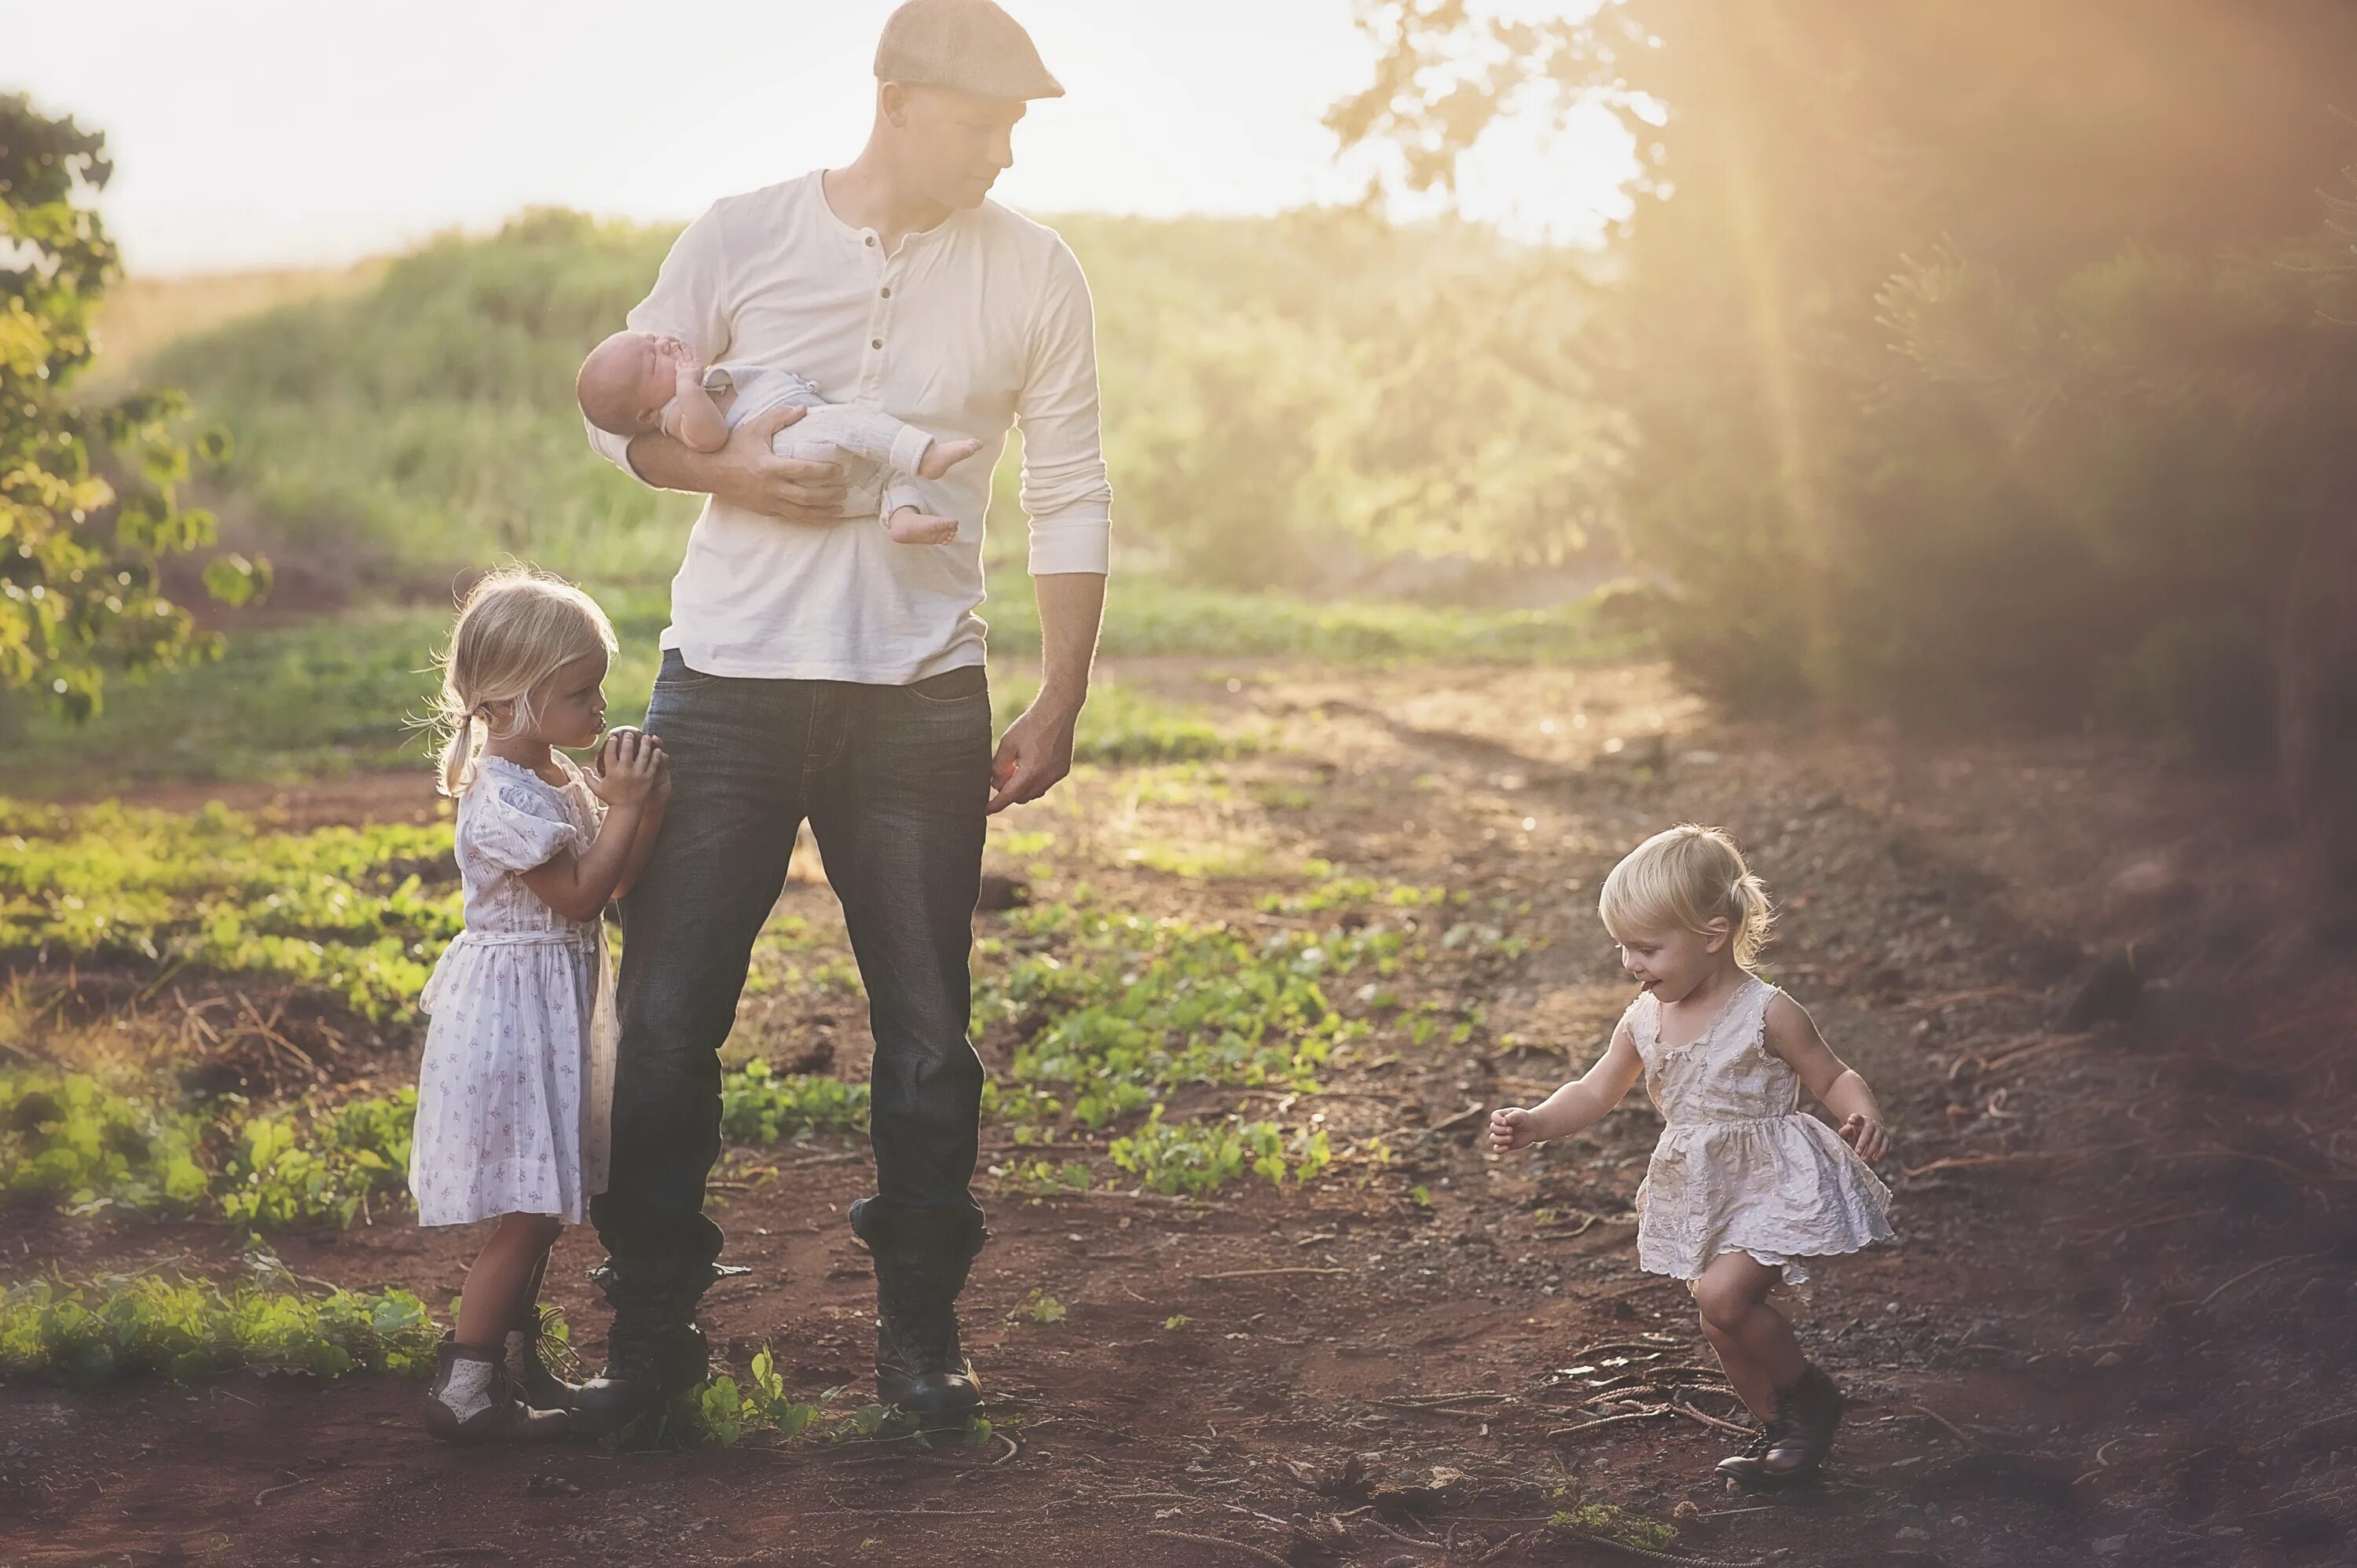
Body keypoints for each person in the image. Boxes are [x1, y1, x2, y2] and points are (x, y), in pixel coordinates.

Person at [573, 0, 1110, 1431]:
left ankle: (922, 1336)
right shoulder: (740, 232)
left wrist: (1060, 688)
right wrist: (728, 478)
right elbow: (615, 413)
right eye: (989, 121)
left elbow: (1069, 482)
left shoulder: (1038, 272)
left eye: (1015, 129)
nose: (1005, 151)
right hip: (730, 686)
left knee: (930, 1032)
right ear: (903, 102)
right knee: (673, 1017)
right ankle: (651, 1339)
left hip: (922, 702)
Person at [1488, 824, 1895, 1485]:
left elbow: (1831, 1075)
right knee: (1716, 1320)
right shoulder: (1643, 1018)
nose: (1630, 965)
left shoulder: (1767, 1012)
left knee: (1727, 1300)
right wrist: (1536, 1121)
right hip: (1702, 1185)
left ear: (1712, 935)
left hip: (1771, 1177)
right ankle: (1782, 1438)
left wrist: (1862, 1111)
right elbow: (1596, 1089)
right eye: (1622, 948)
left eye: (1647, 948)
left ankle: (1813, 1400)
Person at [409, 567, 670, 1442]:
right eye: (578, 692)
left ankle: (512, 1366)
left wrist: (643, 810)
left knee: (545, 1208)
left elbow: (616, 879)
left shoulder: (556, 775)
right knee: (524, 1216)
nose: (600, 706)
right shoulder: (502, 800)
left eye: (598, 686)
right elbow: (579, 897)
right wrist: (624, 806)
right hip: (512, 1022)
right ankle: (465, 1390)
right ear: (506, 702)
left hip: (550, 1011)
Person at [574, 328, 984, 545]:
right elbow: (709, 438)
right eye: (653, 360)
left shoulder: (672, 394)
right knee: (856, 422)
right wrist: (687, 384)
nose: (664, 345)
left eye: (653, 340)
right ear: (645, 413)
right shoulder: (677, 410)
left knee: (883, 476)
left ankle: (901, 518)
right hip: (789, 441)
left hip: (808, 461)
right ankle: (923, 454)